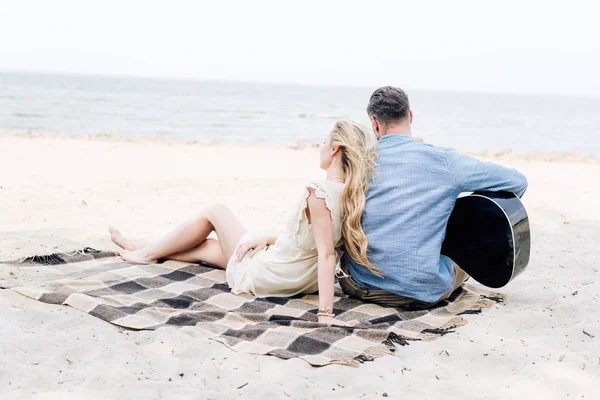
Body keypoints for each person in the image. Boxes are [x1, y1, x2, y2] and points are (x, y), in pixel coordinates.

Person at [109, 120, 377, 326]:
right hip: (293, 274)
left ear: (334, 149)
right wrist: (268, 239)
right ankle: (145, 247)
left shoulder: (319, 191)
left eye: (323, 142)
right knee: (206, 247)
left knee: (216, 210)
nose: (320, 147)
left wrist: (325, 313)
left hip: (269, 274)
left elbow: (327, 254)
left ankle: (145, 254)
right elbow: (313, 241)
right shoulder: (351, 195)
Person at [340, 86, 529, 308]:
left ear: (374, 123)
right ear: (410, 116)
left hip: (360, 284)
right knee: (457, 252)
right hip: (419, 291)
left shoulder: (360, 162)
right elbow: (517, 182)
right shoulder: (443, 161)